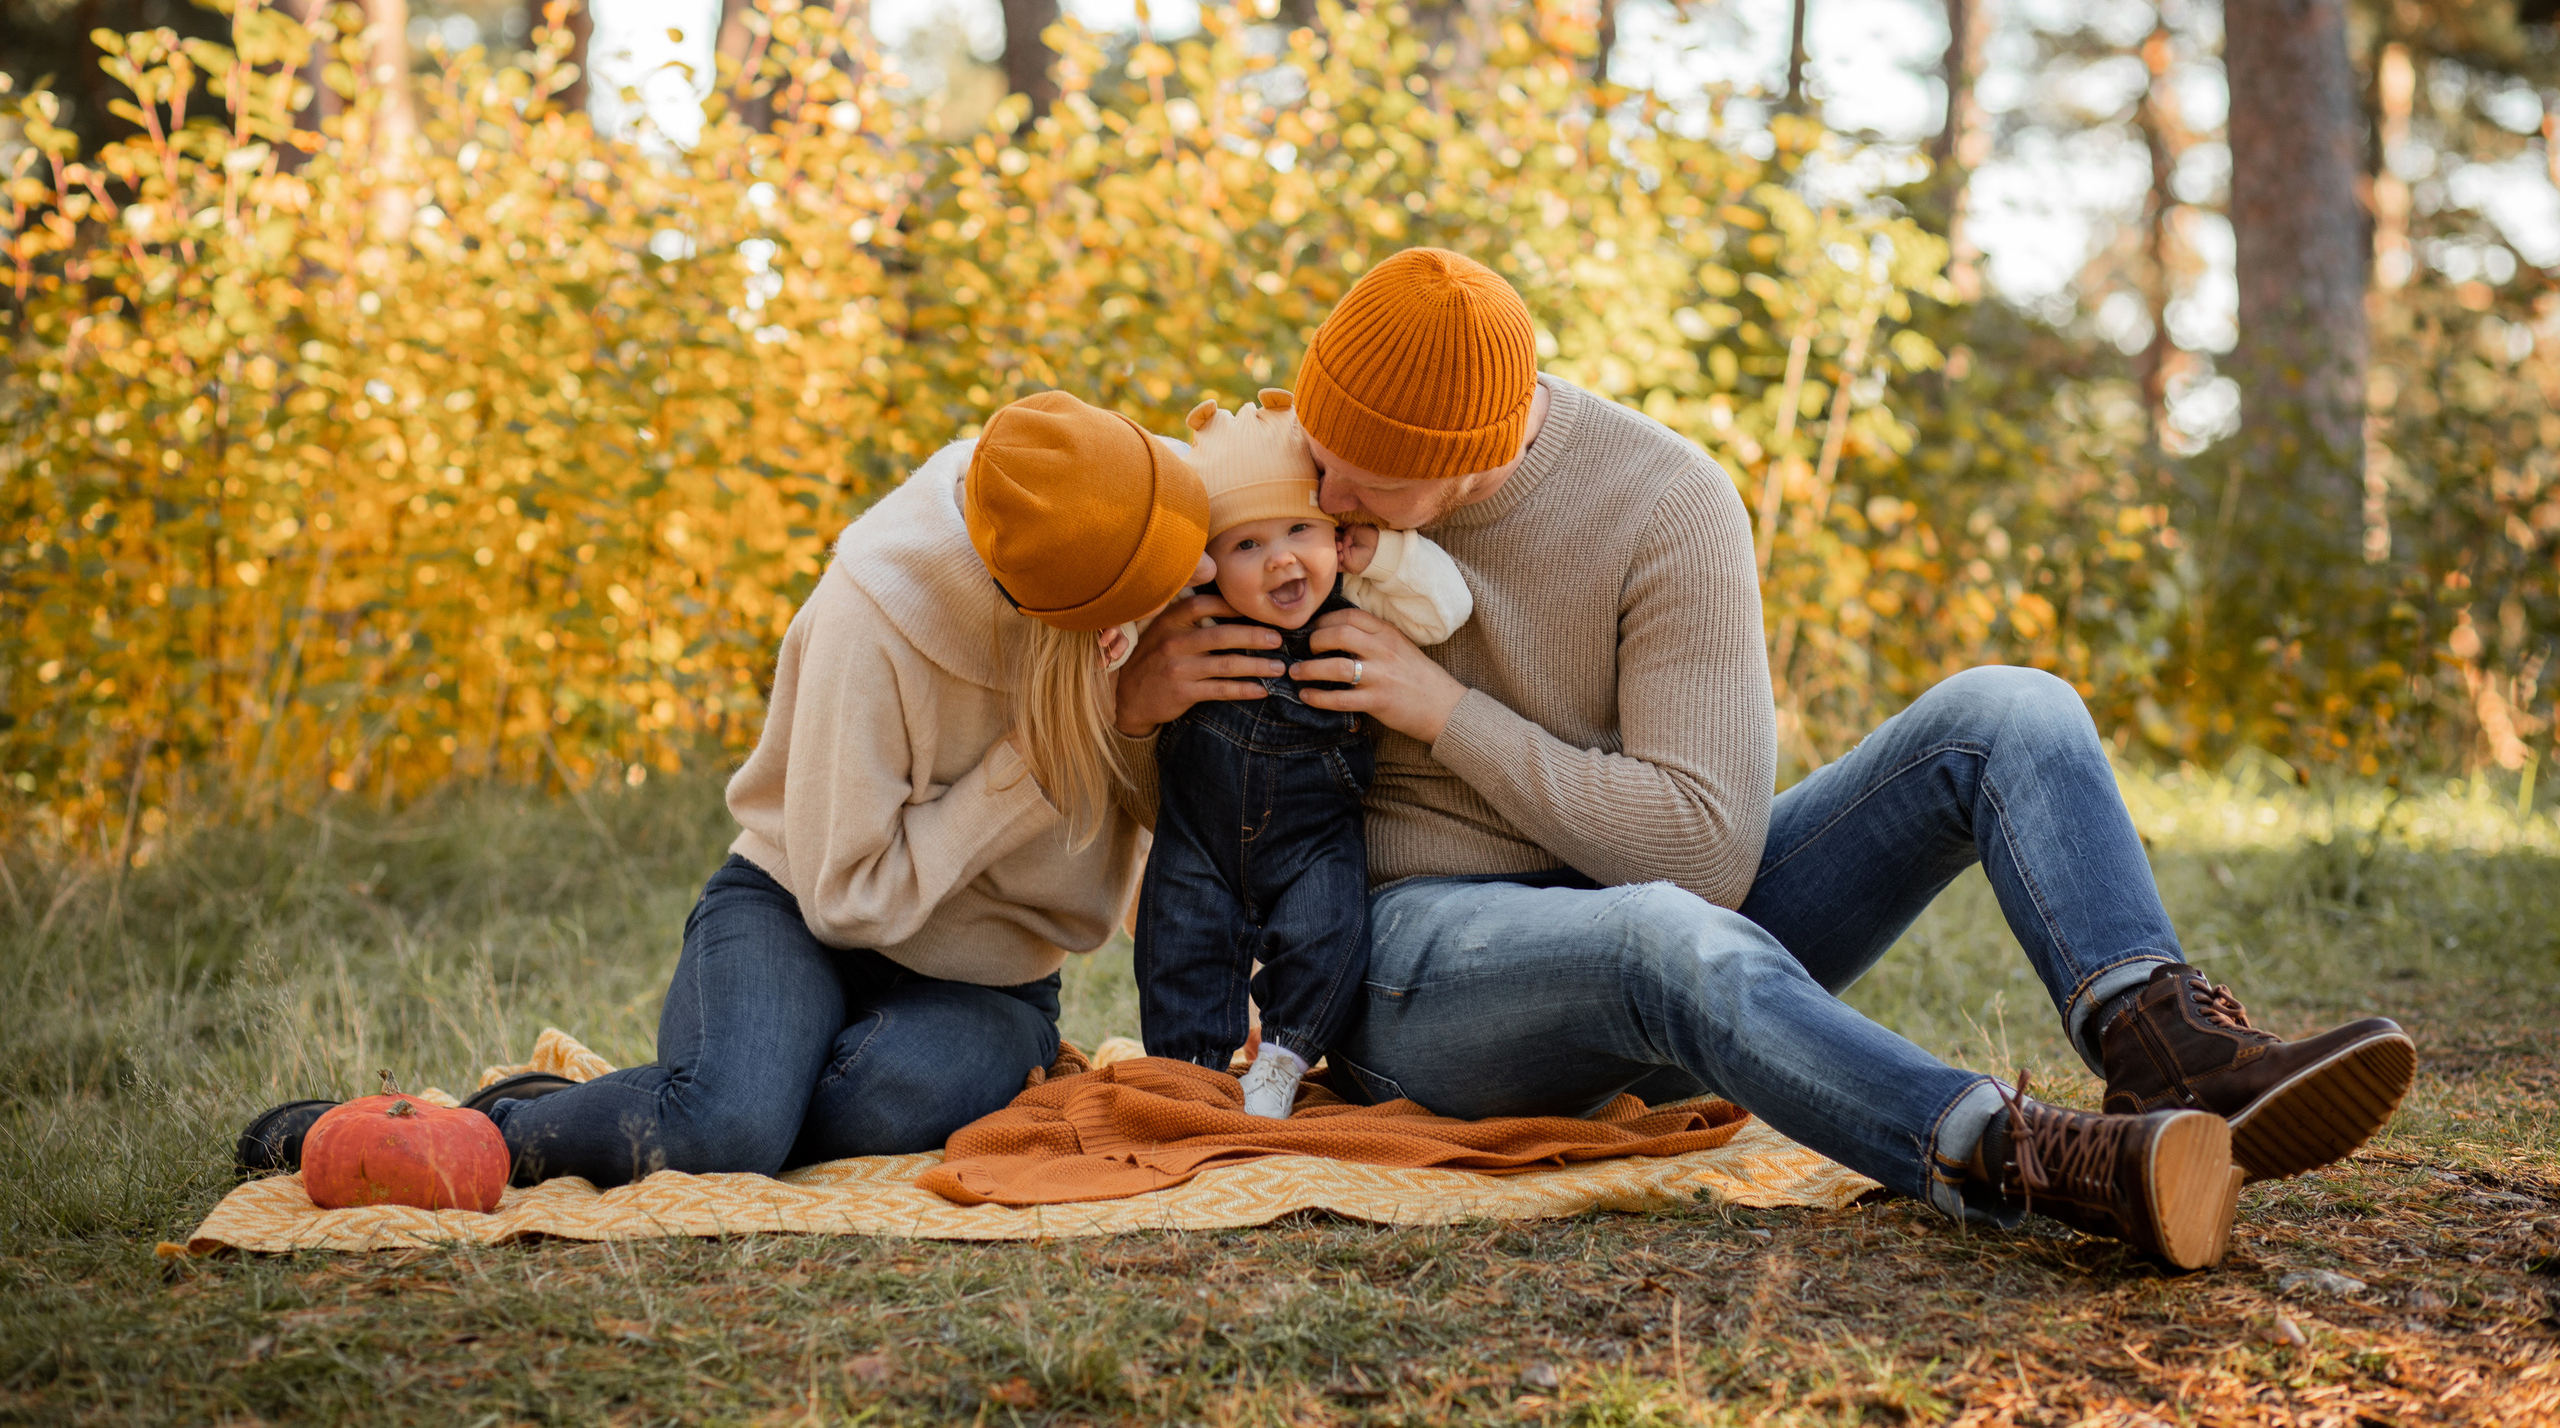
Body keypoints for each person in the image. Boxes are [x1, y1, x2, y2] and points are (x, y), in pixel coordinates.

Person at [1113, 246, 2416, 1270]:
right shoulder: (1279, 513)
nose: (1323, 493)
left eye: (1361, 478)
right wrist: (1132, 702)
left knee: (2010, 707)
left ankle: (2168, 1047)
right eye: (1317, 448)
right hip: (1420, 971)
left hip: (1673, 920)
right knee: (1661, 936)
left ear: (1468, 459)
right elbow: (1198, 790)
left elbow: (1703, 848)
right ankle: (2022, 1155)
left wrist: (1447, 712)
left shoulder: (1663, 504)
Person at [238, 392, 1212, 1188]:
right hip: (799, 911)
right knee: (729, 1129)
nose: (1202, 577)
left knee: (875, 1102)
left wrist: (1145, 735)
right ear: (1080, 627)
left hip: (987, 978)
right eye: (1160, 595)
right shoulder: (873, 616)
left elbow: (1212, 821)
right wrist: (1041, 760)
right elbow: (844, 900)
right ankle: (473, 1129)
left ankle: (700, 1092)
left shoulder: (1141, 510)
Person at [1135, 390, 1471, 1117]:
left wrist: (1385, 553)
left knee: (1330, 932)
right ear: (1207, 564)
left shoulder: (1356, 598)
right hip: (1199, 835)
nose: (1281, 557)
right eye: (1246, 545)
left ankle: (1280, 1064)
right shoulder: (1192, 621)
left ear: (1335, 534)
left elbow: (1446, 610)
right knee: (1180, 943)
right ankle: (1186, 1077)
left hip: (1314, 835)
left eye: (1299, 528)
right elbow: (1131, 630)